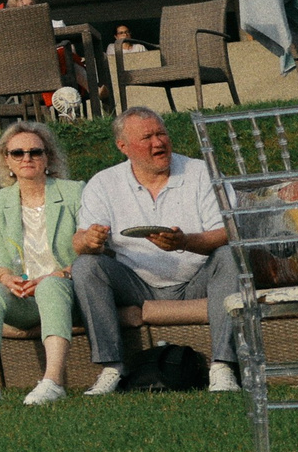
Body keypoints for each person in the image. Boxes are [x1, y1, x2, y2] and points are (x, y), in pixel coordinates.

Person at [72, 106, 242, 395]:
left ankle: (222, 366)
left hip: (197, 279)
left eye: (161, 134)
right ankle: (112, 367)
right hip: (136, 283)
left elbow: (228, 232)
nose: (158, 143)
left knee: (229, 254)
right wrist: (90, 240)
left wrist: (184, 242)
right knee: (86, 266)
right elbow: (78, 242)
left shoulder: (201, 172)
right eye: (147, 137)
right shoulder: (104, 183)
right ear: (123, 147)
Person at [0, 121, 81, 408]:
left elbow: (88, 255)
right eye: (17, 153)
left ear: (48, 158)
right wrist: (7, 280)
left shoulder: (74, 192)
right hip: (24, 294)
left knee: (52, 285)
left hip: (66, 291)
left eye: (34, 152)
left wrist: (59, 274)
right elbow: (0, 261)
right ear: (7, 160)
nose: (26, 158)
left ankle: (53, 382)